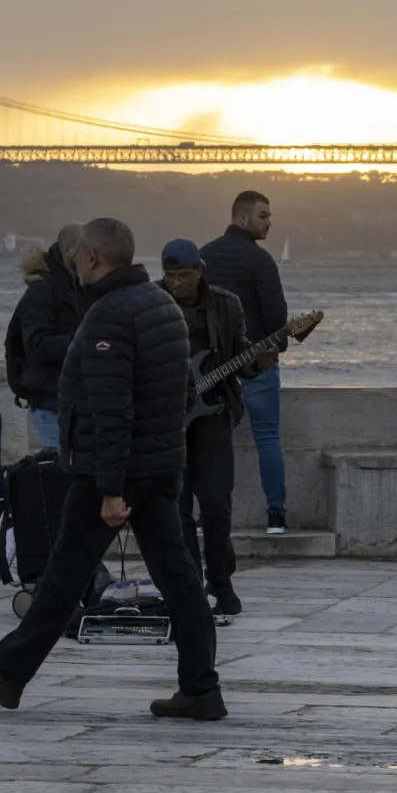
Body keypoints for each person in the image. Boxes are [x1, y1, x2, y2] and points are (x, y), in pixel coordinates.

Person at [0, 218, 224, 721]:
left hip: (112, 472)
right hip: (156, 466)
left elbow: (110, 407)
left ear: (93, 257)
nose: (71, 261)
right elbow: (180, 394)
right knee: (179, 578)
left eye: (77, 255)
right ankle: (201, 688)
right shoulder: (162, 305)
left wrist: (113, 487)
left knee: (62, 576)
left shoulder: (109, 317)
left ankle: (6, 673)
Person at [159, 238, 247, 616]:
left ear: (199, 271)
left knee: (216, 504)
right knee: (176, 508)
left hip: (213, 416)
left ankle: (221, 582)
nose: (176, 283)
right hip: (165, 419)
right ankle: (189, 583)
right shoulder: (152, 302)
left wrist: (258, 361)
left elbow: (240, 356)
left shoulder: (226, 306)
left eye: (183, 275)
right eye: (170, 275)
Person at [200, 191, 288, 534]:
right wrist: (270, 350)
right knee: (266, 436)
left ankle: (203, 516)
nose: (269, 222)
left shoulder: (204, 256)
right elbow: (278, 320)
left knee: (209, 442)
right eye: (263, 215)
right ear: (242, 218)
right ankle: (276, 516)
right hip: (257, 364)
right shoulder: (260, 261)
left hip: (211, 368)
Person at [5, 222, 85, 452]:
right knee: (57, 470)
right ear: (68, 249)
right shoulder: (42, 291)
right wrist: (83, 342)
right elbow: (37, 345)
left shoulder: (78, 287)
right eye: (86, 250)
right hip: (50, 400)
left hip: (71, 398)